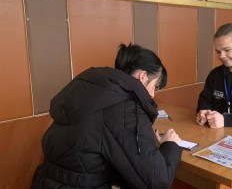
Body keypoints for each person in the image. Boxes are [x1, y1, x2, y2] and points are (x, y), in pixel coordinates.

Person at [31, 43, 182, 189]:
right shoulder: (125, 107)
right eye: (155, 86)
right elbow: (157, 181)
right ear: (143, 76)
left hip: (47, 181)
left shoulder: (97, 91)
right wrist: (170, 145)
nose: (152, 94)